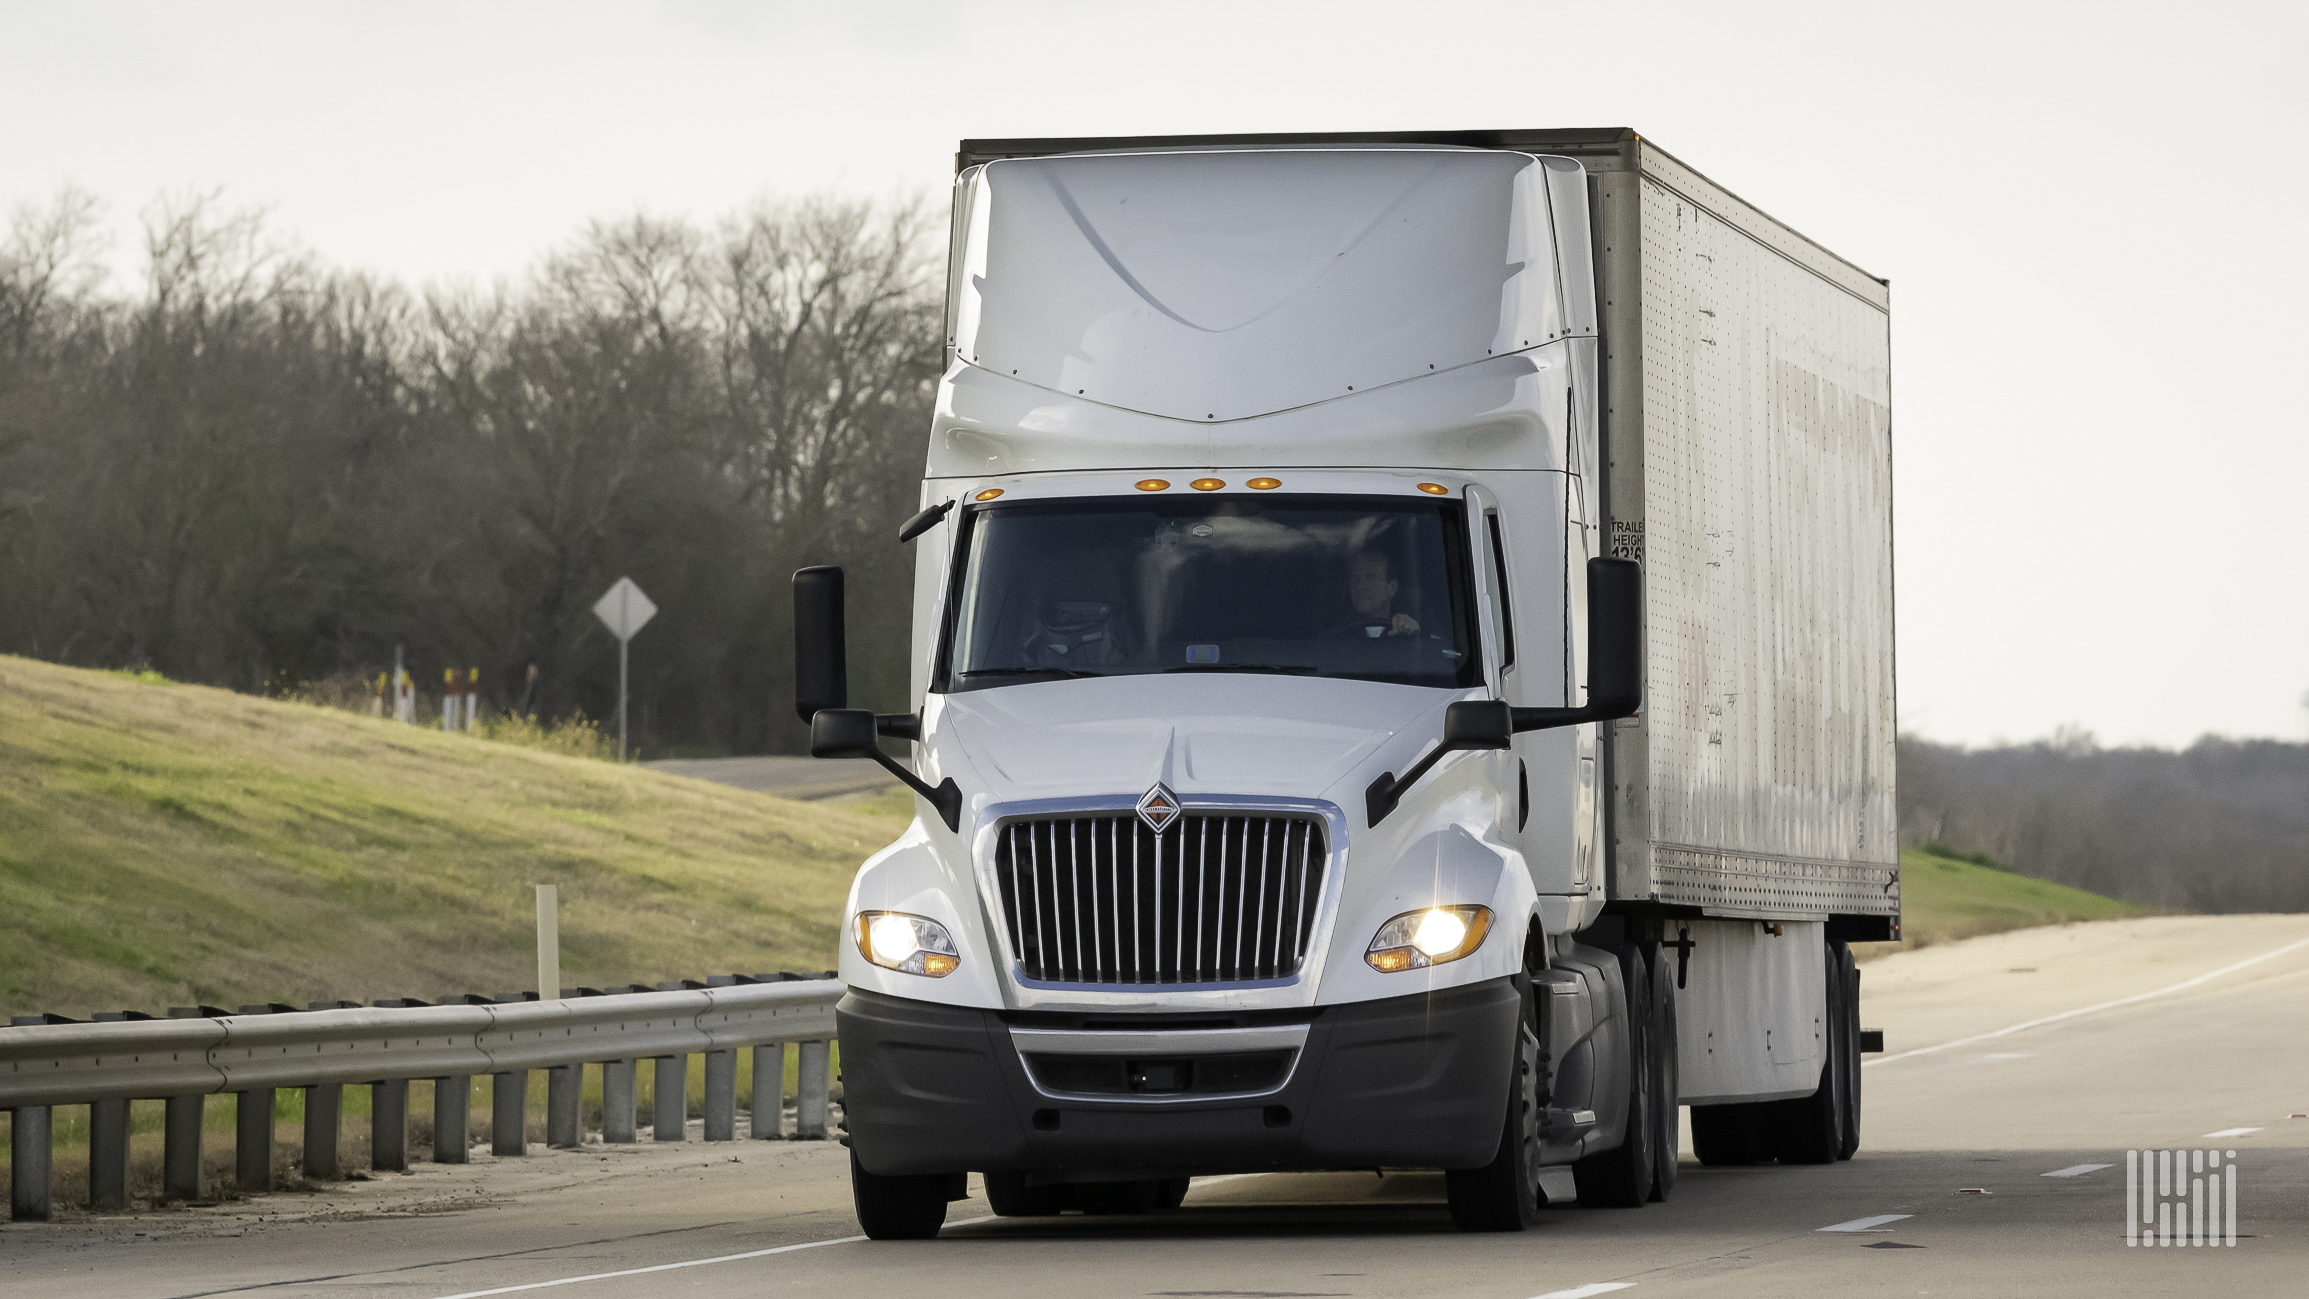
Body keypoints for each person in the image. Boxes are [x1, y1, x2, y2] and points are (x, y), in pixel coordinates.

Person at [1329, 549, 1420, 638]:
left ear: (1392, 587)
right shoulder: (1337, 636)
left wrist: (1413, 633)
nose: (1360, 586)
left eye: (1370, 578)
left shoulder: (1407, 631)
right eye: (1355, 578)